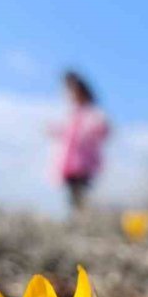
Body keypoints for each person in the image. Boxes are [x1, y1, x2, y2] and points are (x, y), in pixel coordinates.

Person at [49, 71, 110, 212]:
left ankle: (83, 217)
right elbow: (64, 132)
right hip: (69, 163)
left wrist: (93, 132)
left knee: (81, 192)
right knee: (72, 194)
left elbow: (103, 129)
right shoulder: (70, 114)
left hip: (84, 163)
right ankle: (78, 217)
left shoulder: (92, 113)